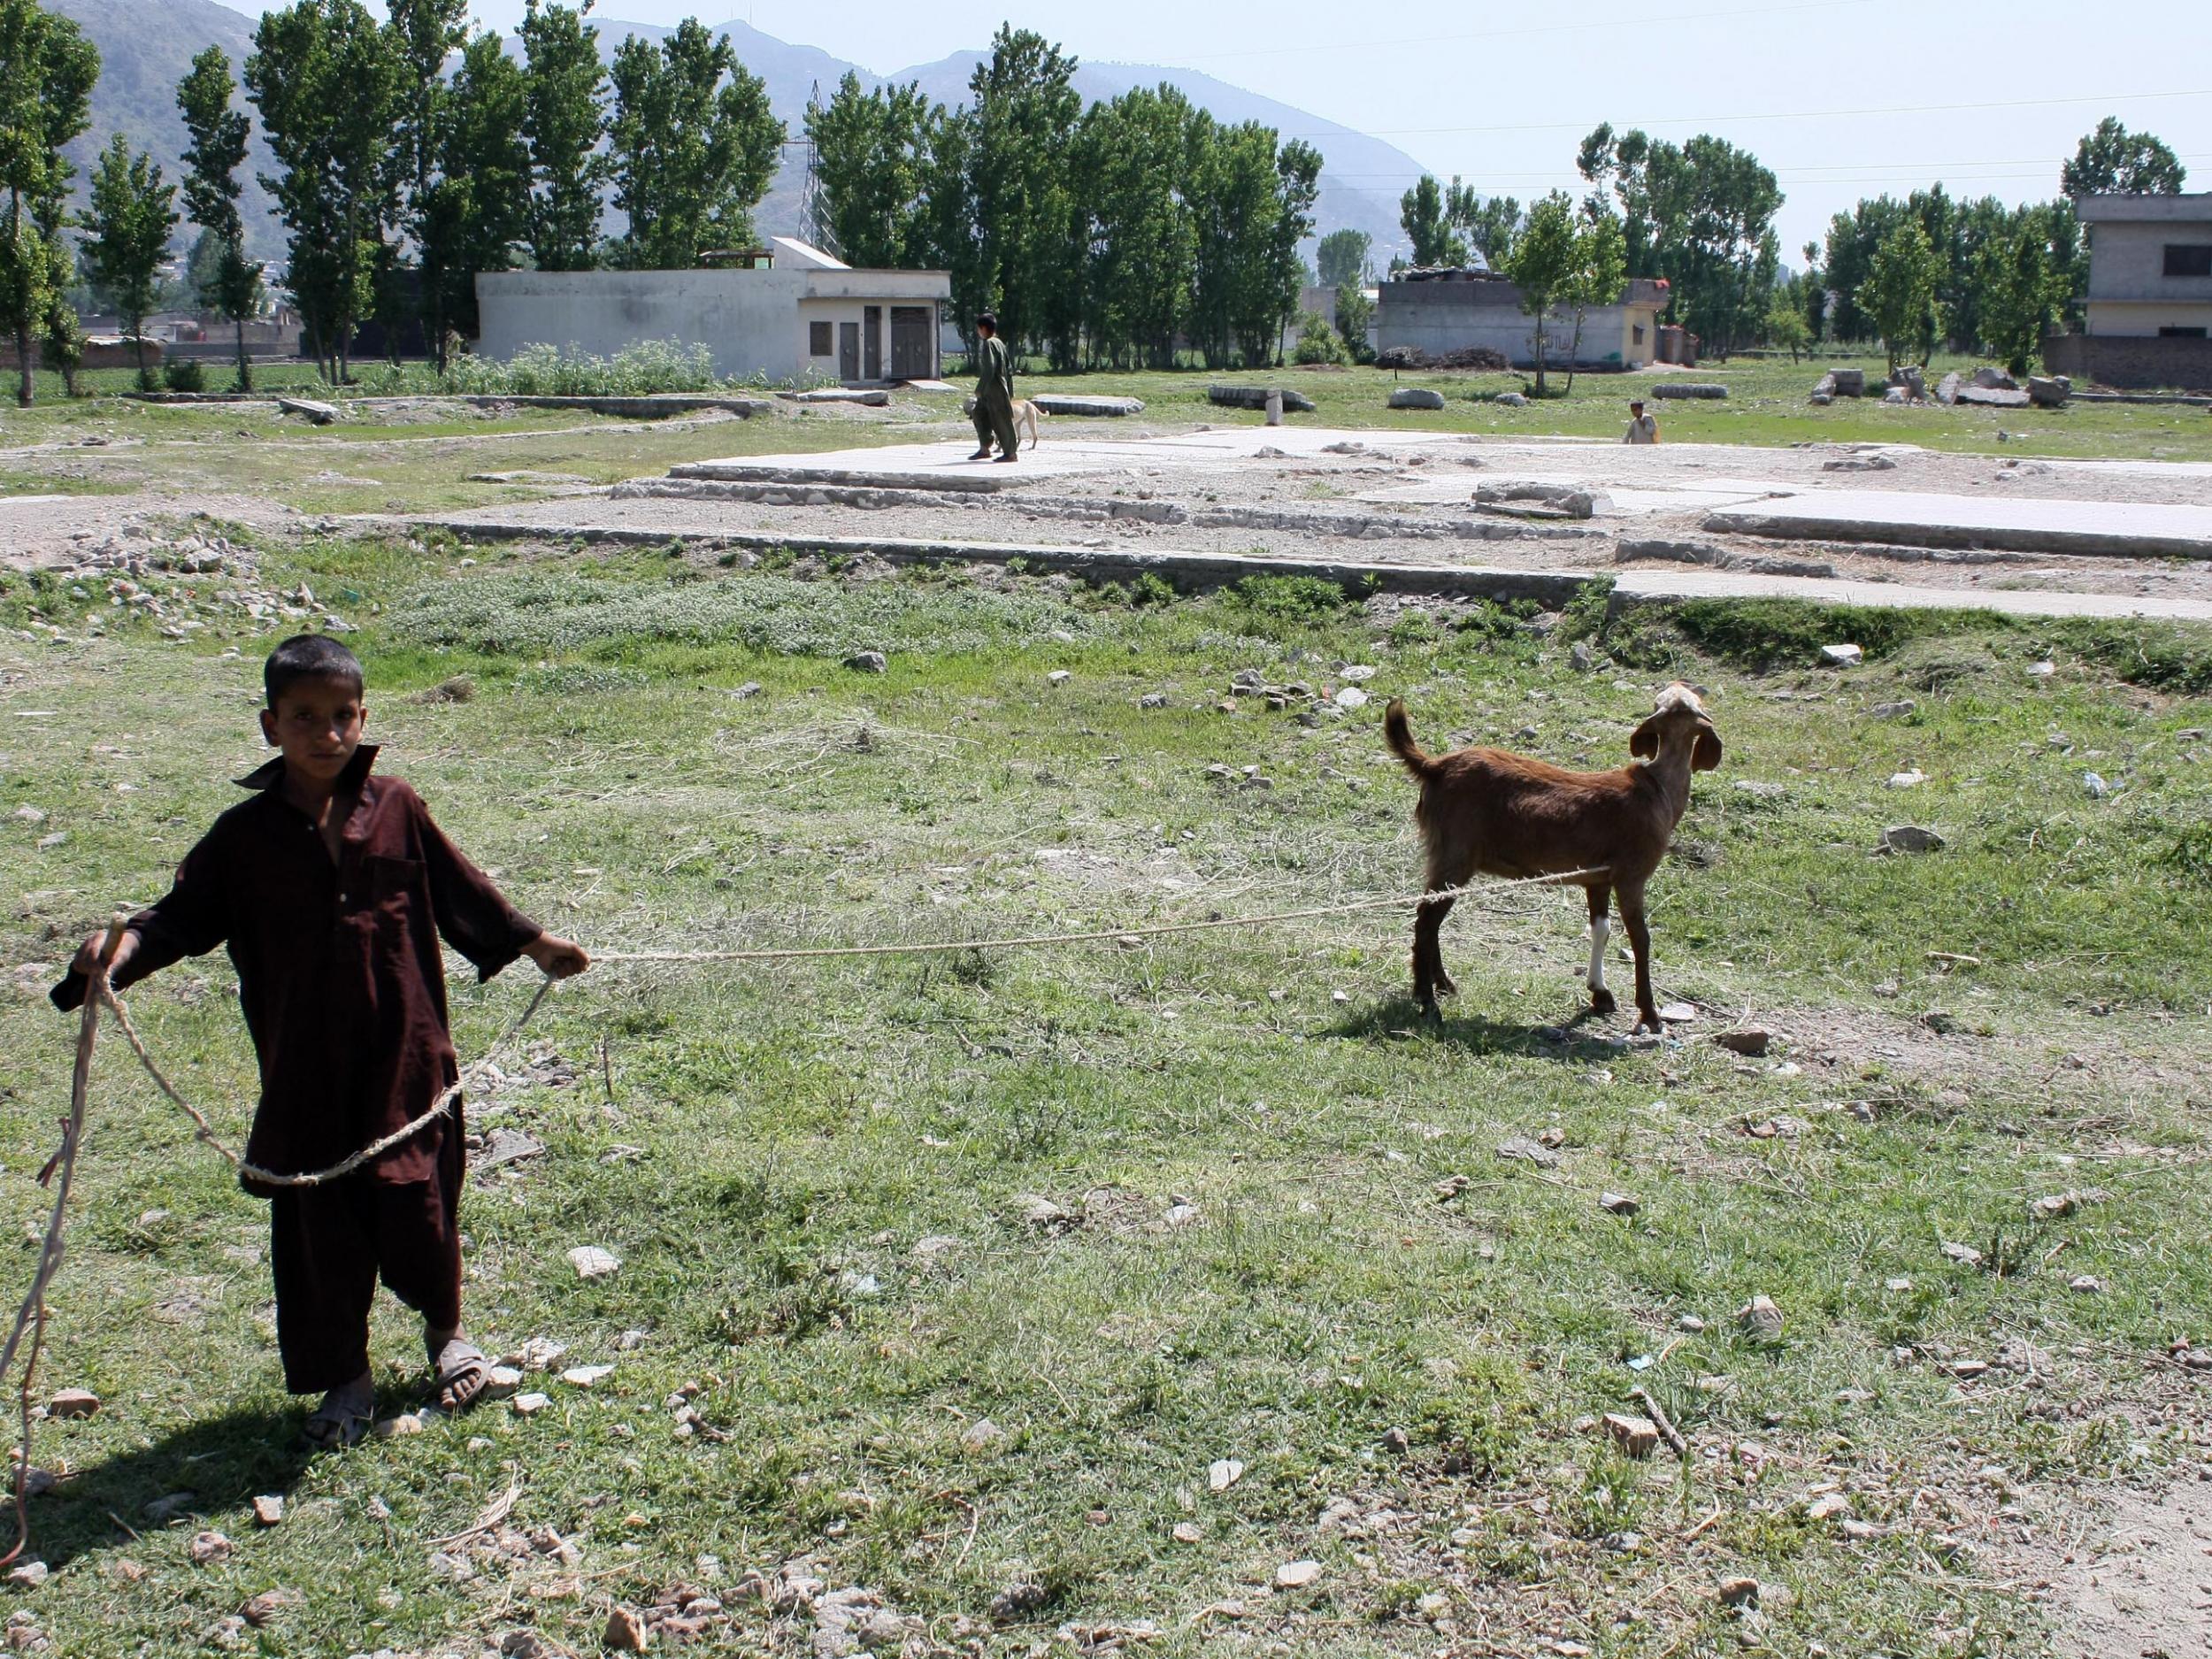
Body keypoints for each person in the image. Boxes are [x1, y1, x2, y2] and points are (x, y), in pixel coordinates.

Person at [53, 634, 589, 1448]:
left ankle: (447, 1333)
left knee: (421, 1202)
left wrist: (534, 942)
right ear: (270, 725)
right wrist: (116, 955)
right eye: (304, 716)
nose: (326, 732)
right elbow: (178, 917)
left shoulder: (398, 804)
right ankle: (346, 1373)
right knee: (318, 1222)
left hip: (407, 1054)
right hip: (303, 1067)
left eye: (342, 715)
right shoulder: (243, 838)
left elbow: (457, 888)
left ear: (363, 717)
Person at [968, 311, 1019, 463]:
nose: (978, 332)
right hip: (993, 390)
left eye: (978, 329)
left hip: (994, 389)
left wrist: (980, 389)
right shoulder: (999, 343)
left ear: (983, 328)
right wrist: (1010, 390)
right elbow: (1009, 369)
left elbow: (990, 368)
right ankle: (985, 448)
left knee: (1001, 420)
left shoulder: (990, 343)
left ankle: (1010, 453)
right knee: (978, 413)